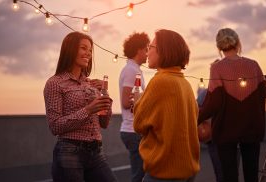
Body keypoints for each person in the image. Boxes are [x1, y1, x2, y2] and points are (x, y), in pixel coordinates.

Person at [43, 31, 117, 182]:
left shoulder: (92, 84)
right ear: (70, 49)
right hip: (69, 153)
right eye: (83, 48)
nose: (88, 54)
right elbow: (55, 126)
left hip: (96, 152)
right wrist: (89, 110)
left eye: (90, 50)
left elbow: (104, 123)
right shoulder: (55, 83)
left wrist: (105, 97)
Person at [198, 28, 266, 182]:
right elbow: (265, 92)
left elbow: (214, 102)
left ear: (219, 47)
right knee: (252, 175)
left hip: (226, 130)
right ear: (238, 43)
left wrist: (195, 118)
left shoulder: (217, 68)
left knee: (229, 176)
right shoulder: (253, 65)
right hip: (252, 127)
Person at [133, 29, 200, 182]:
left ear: (164, 51)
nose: (147, 53)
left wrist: (138, 101)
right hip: (187, 169)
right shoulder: (185, 84)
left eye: (151, 47)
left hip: (164, 171)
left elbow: (139, 124)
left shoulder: (160, 81)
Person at [119, 32, 150, 182]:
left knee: (141, 174)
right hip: (133, 130)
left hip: (133, 129)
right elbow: (126, 101)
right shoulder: (131, 70)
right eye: (146, 49)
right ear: (139, 50)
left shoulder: (134, 69)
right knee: (139, 176)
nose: (148, 53)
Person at [197, 88, 224, 182]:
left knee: (220, 172)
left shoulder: (205, 93)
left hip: (213, 138)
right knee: (229, 172)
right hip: (227, 138)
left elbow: (196, 111)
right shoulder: (231, 89)